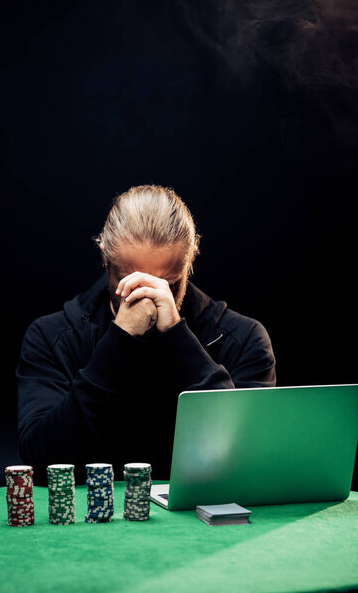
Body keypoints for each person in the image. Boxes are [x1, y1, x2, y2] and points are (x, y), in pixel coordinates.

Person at [16, 184, 276, 484]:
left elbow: (246, 457)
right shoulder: (51, 336)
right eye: (130, 283)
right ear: (105, 257)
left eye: (169, 284)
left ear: (190, 258)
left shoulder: (242, 338)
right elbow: (42, 458)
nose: (150, 298)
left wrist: (178, 337)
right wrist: (119, 339)